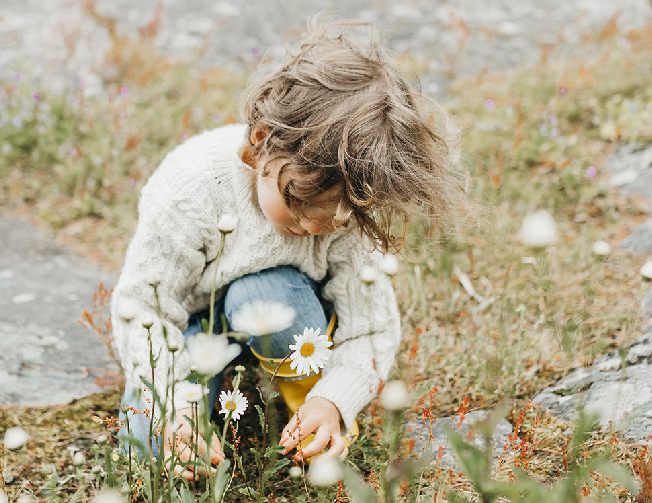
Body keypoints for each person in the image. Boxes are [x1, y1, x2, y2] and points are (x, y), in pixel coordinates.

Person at [111, 18, 464, 478]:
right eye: (301, 204)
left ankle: (302, 401)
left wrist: (333, 399)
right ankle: (222, 393)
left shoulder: (348, 202)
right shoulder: (192, 191)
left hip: (288, 318)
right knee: (149, 454)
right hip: (190, 329)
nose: (320, 224)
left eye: (338, 214)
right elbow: (144, 309)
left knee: (264, 294)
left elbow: (372, 328)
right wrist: (176, 406)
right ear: (261, 144)